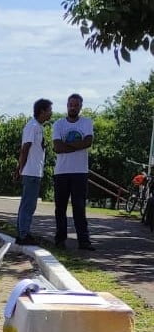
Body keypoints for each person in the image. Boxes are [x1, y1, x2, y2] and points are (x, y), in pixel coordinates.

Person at [52, 93, 95, 250]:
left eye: (76, 105)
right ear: (67, 105)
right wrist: (78, 145)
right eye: (71, 104)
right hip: (61, 172)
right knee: (60, 208)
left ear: (80, 107)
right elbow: (57, 147)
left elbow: (88, 142)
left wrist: (66, 146)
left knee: (79, 207)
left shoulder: (87, 123)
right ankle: (60, 239)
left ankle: (84, 241)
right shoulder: (58, 124)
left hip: (80, 172)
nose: (73, 107)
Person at [14, 98, 53, 245]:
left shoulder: (38, 127)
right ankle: (23, 234)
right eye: (49, 110)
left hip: (34, 171)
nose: (51, 113)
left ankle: (23, 232)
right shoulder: (32, 126)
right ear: (42, 111)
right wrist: (20, 168)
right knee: (28, 204)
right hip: (30, 172)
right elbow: (25, 148)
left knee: (29, 204)